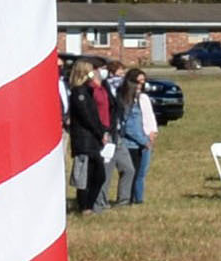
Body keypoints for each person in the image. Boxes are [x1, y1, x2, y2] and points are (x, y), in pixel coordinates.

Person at [63, 55, 111, 214]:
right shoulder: (79, 93)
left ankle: (88, 204)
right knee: (84, 176)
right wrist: (99, 131)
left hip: (93, 139)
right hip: (84, 140)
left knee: (98, 174)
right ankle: (84, 206)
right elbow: (87, 116)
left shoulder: (88, 91)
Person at [114, 67, 154, 205]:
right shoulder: (126, 100)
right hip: (131, 142)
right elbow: (130, 124)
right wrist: (143, 140)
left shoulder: (142, 98)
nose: (141, 85)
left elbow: (148, 117)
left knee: (140, 173)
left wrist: (151, 132)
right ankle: (128, 199)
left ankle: (137, 198)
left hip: (144, 140)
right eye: (138, 82)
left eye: (143, 82)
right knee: (131, 172)